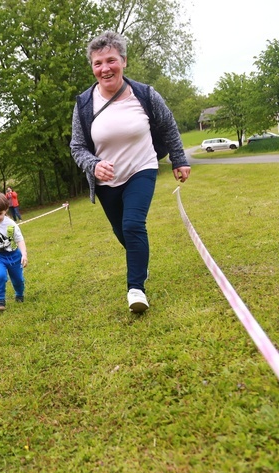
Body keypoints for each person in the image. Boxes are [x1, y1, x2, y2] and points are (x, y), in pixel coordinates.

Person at [70, 31, 190, 313]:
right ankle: (141, 264)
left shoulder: (145, 94)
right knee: (122, 232)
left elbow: (168, 126)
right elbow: (76, 146)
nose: (105, 68)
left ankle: (136, 289)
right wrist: (94, 164)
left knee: (133, 225)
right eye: (98, 63)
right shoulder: (84, 104)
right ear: (92, 67)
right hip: (105, 181)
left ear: (123, 61)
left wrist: (179, 159)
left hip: (142, 168)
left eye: (111, 60)